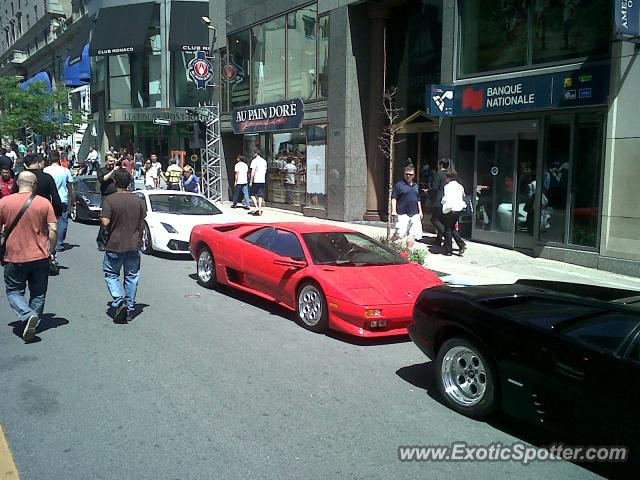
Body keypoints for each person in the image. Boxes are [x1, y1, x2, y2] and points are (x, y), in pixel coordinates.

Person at [0, 171, 57, 342]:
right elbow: (53, 230)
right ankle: (33, 321)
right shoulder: (44, 203)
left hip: (14, 256)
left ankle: (26, 315)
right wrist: (51, 250)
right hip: (40, 255)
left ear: (17, 183)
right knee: (38, 293)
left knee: (13, 291)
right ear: (34, 185)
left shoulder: (4, 202)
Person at [100, 169, 147, 323]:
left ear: (115, 182)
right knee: (132, 276)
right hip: (134, 244)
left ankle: (120, 300)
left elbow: (105, 221)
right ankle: (130, 307)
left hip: (115, 243)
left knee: (111, 274)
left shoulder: (110, 200)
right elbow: (143, 217)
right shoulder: (138, 200)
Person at [391, 164, 423, 249]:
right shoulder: (399, 185)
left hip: (414, 213)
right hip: (402, 213)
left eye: (410, 174)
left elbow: (418, 199)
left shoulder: (416, 186)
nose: (408, 176)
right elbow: (394, 198)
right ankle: (389, 243)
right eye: (407, 174)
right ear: (404, 174)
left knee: (413, 234)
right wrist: (393, 210)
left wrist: (420, 211)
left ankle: (409, 251)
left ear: (414, 175)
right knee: (399, 233)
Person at [22, 153, 63, 218]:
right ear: (38, 163)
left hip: (23, 210)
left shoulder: (19, 177)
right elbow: (55, 197)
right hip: (43, 211)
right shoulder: (47, 177)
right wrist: (57, 213)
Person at [441, 170, 467, 256]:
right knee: (452, 228)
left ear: (448, 178)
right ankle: (461, 244)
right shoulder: (460, 186)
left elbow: (446, 198)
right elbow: (463, 196)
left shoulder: (447, 187)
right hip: (459, 209)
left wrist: (442, 203)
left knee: (447, 229)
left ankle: (448, 250)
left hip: (450, 209)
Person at [429, 158, 449, 246]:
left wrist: (427, 191)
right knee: (442, 220)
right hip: (448, 201)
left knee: (434, 219)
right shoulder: (449, 175)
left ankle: (447, 236)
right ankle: (438, 239)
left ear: (441, 165)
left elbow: (435, 188)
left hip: (439, 201)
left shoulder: (438, 175)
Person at [249, 150, 267, 216]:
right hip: (262, 180)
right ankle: (259, 208)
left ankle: (256, 207)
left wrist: (251, 181)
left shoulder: (254, 161)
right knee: (260, 195)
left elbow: (252, 171)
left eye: (254, 153)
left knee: (252, 194)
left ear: (256, 154)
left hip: (256, 180)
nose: (253, 155)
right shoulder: (264, 161)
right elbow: (265, 171)